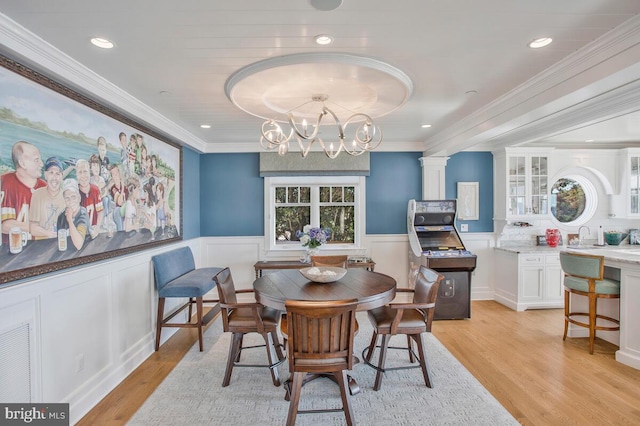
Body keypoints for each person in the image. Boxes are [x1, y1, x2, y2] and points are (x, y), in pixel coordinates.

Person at [1, 141, 47, 244]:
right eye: (36, 160)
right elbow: (5, 226)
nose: (41, 164)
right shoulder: (6, 183)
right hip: (12, 253)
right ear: (22, 163)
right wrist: (35, 228)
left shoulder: (44, 187)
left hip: (41, 250)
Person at [29, 157, 66, 239]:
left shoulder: (66, 197)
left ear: (61, 176)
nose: (54, 178)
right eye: (51, 173)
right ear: (45, 175)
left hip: (61, 242)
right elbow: (33, 229)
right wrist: (48, 233)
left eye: (57, 173)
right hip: (40, 245)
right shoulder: (37, 195)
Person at [56, 178, 89, 251]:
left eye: (73, 197)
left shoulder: (82, 213)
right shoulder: (61, 216)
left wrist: (70, 220)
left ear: (79, 198)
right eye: (67, 198)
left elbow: (79, 245)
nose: (71, 201)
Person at [75, 159, 104, 228]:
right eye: (80, 172)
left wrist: (97, 228)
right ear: (76, 175)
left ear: (89, 172)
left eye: (85, 171)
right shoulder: (74, 192)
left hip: (93, 230)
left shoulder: (95, 190)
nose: (83, 175)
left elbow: (100, 212)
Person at [108, 163, 128, 231]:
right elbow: (119, 202)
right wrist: (122, 189)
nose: (116, 175)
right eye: (113, 174)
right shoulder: (113, 189)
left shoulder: (126, 187)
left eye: (116, 172)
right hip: (117, 213)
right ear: (112, 177)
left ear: (119, 173)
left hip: (125, 212)